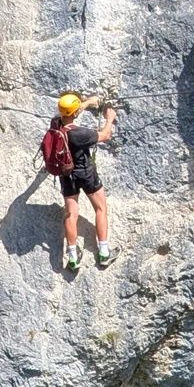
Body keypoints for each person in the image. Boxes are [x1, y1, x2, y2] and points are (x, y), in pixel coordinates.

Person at [51, 93, 118, 270]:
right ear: (74, 113)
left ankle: (73, 257)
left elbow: (71, 112)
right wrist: (109, 119)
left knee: (70, 214)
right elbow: (105, 136)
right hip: (86, 174)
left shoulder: (56, 125)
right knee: (100, 208)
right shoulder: (80, 134)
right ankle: (104, 253)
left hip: (66, 175)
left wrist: (88, 102)